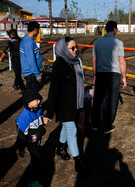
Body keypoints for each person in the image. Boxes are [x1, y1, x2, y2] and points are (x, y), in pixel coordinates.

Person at [43, 36, 85, 172]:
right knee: (72, 130)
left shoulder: (77, 62)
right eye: (72, 48)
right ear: (64, 49)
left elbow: (80, 84)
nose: (75, 50)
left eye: (76, 47)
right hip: (63, 105)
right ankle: (78, 161)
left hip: (75, 103)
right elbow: (53, 90)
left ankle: (60, 147)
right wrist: (49, 112)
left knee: (67, 128)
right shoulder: (59, 64)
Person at [91, 20, 127, 134]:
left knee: (98, 98)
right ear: (115, 29)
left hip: (101, 73)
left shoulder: (97, 42)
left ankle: (95, 123)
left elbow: (94, 60)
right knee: (112, 99)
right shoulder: (119, 43)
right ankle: (107, 125)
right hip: (114, 74)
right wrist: (124, 77)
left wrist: (95, 74)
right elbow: (121, 61)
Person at [16, 89, 46, 187]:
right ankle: (33, 181)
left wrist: (43, 122)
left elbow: (41, 120)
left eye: (38, 99)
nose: (39, 101)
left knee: (37, 158)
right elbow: (21, 136)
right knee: (36, 159)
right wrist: (21, 149)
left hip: (36, 139)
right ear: (29, 102)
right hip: (30, 142)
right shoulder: (25, 117)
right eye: (36, 99)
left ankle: (35, 175)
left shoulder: (39, 109)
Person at [0, 29, 25, 93]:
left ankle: (23, 88)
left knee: (18, 74)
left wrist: (1, 57)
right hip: (22, 58)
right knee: (18, 72)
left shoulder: (11, 41)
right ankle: (16, 85)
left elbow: (6, 50)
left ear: (11, 35)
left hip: (15, 59)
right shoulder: (20, 40)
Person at [20, 21, 42, 90]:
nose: (38, 32)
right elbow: (31, 60)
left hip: (30, 72)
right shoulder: (28, 42)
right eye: (38, 30)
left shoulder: (27, 39)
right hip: (31, 73)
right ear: (35, 29)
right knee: (33, 96)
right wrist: (37, 74)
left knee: (31, 95)